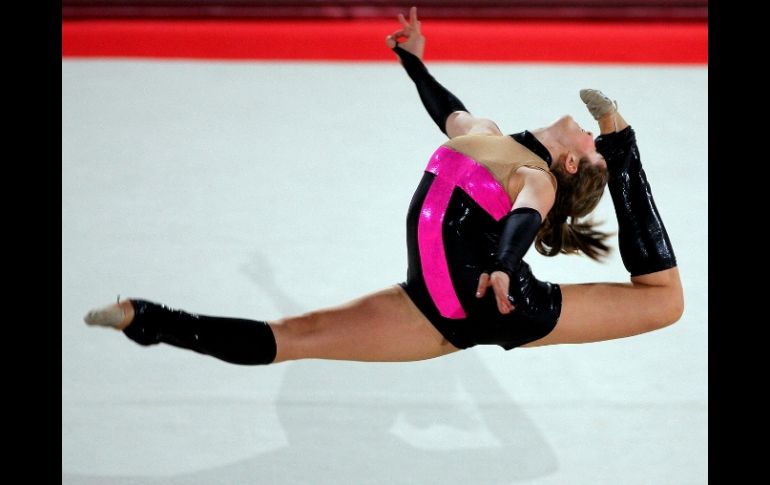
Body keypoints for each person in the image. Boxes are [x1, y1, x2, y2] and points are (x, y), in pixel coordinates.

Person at [84, 7, 683, 365]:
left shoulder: (536, 177)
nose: (587, 138)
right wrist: (414, 62)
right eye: (599, 140)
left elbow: (526, 214)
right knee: (298, 336)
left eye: (594, 148)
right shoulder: (488, 136)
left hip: (502, 301)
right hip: (437, 309)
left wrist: (504, 264)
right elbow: (447, 111)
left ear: (573, 167)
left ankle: (628, 149)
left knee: (664, 303)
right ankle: (150, 321)